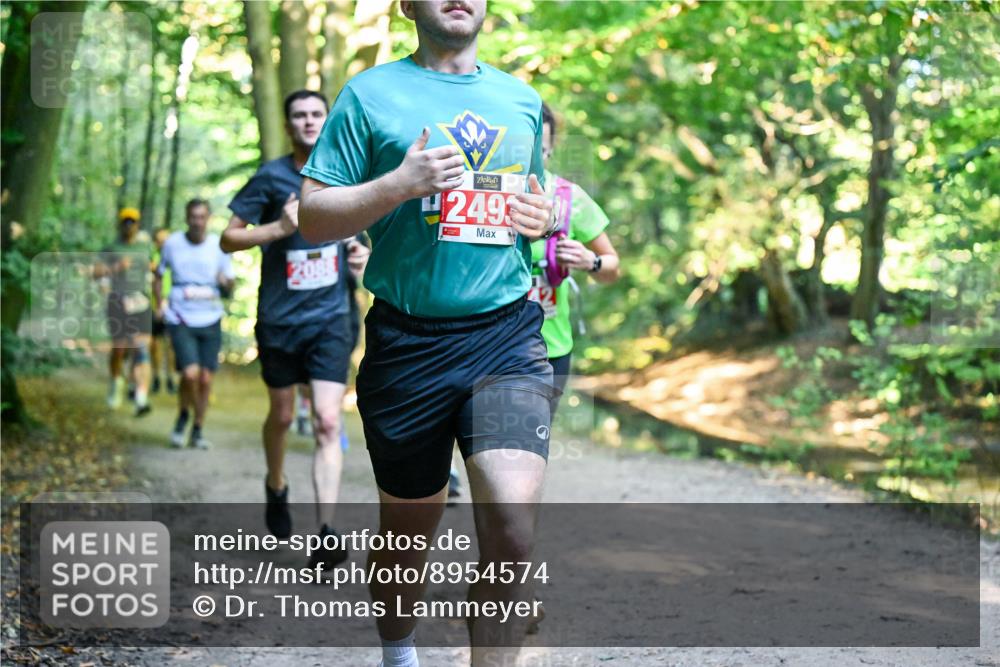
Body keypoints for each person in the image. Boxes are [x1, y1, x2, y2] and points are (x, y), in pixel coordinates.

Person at [298, 2, 558, 665]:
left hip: (505, 335)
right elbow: (314, 217)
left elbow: (530, 206)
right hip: (406, 346)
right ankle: (398, 646)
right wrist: (396, 185)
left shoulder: (520, 100)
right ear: (408, 5)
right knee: (409, 535)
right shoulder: (368, 94)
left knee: (512, 525)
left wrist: (536, 218)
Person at [221, 90, 370, 570]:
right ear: (288, 126)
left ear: (327, 122)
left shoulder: (348, 172)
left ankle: (326, 531)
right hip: (280, 320)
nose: (309, 122)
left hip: (330, 319)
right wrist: (278, 230)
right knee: (282, 416)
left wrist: (362, 257)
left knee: (328, 420)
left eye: (316, 114)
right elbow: (229, 238)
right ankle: (276, 483)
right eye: (299, 115)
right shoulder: (271, 177)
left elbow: (367, 235)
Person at [529, 102, 621, 414]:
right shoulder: (486, 192)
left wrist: (590, 261)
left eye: (541, 151)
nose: (533, 160)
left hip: (549, 348)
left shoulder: (569, 198)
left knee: (527, 442)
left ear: (551, 149)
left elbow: (611, 267)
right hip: (485, 343)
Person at [154, 199, 235, 449]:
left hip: (210, 317)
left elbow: (231, 284)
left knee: (205, 379)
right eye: (193, 217)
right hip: (181, 317)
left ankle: (197, 429)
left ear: (208, 218)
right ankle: (182, 416)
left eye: (201, 217)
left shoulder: (219, 246)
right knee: (189, 375)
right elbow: (157, 275)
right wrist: (160, 304)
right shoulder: (172, 244)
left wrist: (225, 281)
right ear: (186, 218)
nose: (197, 222)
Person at [95, 207, 153, 417]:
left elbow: (155, 268)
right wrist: (117, 267)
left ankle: (141, 397)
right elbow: (96, 273)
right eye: (126, 222)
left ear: (138, 224)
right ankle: (115, 383)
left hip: (140, 302)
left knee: (141, 348)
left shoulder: (146, 246)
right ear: (120, 224)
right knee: (119, 349)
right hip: (117, 302)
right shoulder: (110, 247)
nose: (129, 225)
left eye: (133, 222)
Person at [150, 227, 177, 395]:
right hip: (154, 306)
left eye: (166, 239)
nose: (164, 243)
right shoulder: (152, 258)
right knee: (155, 344)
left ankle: (171, 377)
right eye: (160, 240)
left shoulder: (177, 257)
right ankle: (156, 376)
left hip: (174, 307)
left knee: (172, 345)